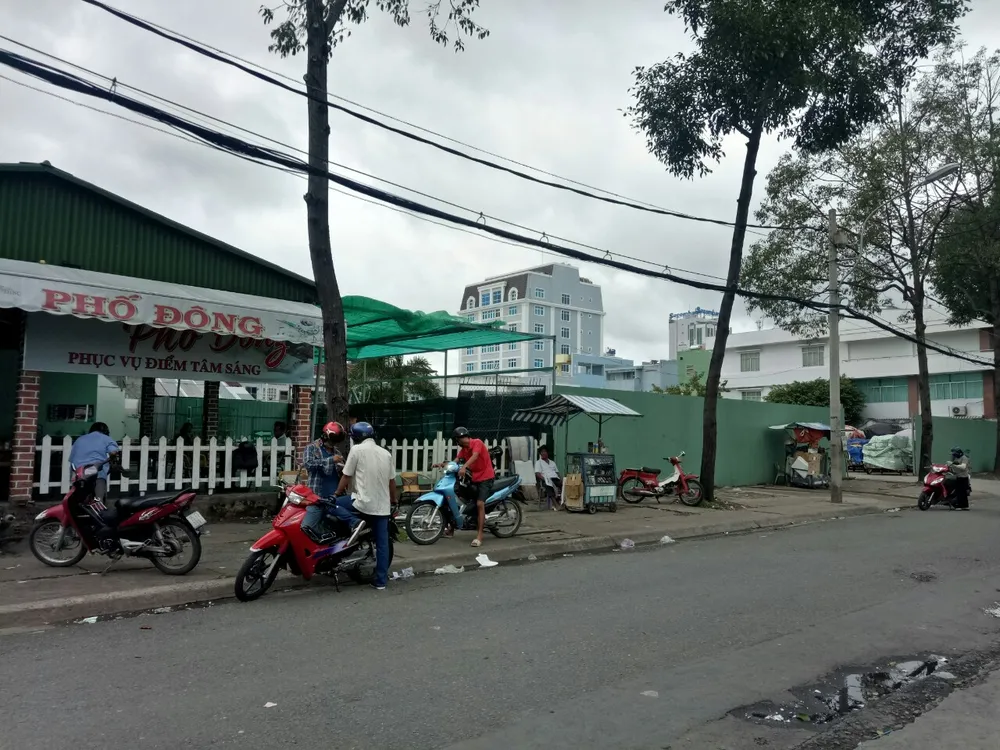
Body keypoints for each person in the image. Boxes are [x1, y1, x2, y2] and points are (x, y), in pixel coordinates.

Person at [333, 421, 396, 591]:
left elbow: (346, 476)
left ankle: (353, 523)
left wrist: (336, 494)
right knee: (382, 544)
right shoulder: (385, 453)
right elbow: (392, 482)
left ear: (355, 437)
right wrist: (394, 501)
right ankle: (381, 581)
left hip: (361, 503)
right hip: (382, 507)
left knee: (330, 505)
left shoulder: (356, 450)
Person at [300, 421, 347, 542]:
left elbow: (343, 474)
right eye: (333, 440)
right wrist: (331, 460)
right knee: (308, 526)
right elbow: (308, 464)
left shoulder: (337, 453)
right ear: (325, 436)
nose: (334, 444)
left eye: (336, 441)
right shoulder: (312, 448)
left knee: (339, 527)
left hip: (334, 497)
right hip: (317, 497)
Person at [453, 426, 495, 547]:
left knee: (480, 503)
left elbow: (475, 456)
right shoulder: (464, 450)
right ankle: (453, 528)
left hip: (486, 478)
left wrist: (464, 466)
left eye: (458, 439)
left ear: (461, 438)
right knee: (463, 498)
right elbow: (456, 460)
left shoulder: (477, 442)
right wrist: (443, 464)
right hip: (475, 478)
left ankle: (480, 535)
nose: (458, 442)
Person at [68, 422, 119, 502]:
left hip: (79, 473)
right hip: (97, 471)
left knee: (77, 497)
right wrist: (112, 459)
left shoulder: (80, 439)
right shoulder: (106, 439)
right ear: (106, 431)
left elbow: (72, 459)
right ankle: (99, 503)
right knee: (99, 497)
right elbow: (113, 452)